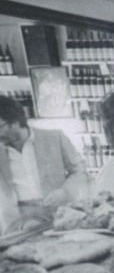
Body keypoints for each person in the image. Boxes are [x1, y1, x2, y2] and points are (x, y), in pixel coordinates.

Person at [0, 95, 89, 223]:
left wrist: (65, 191)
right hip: (17, 222)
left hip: (59, 215)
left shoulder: (55, 138)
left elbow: (80, 171)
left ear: (14, 122)